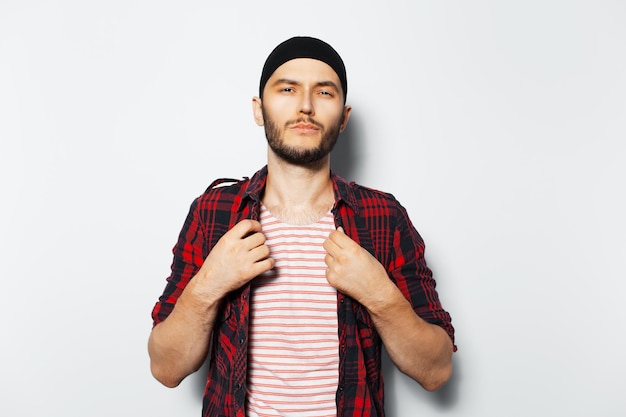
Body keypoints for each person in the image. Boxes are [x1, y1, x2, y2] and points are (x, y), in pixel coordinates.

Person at [148, 36, 456, 417]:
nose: (305, 106)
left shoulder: (383, 216)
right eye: (288, 89)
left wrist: (379, 293)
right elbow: (166, 368)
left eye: (324, 92)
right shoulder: (214, 212)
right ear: (259, 109)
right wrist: (209, 284)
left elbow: (437, 370)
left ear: (343, 118)